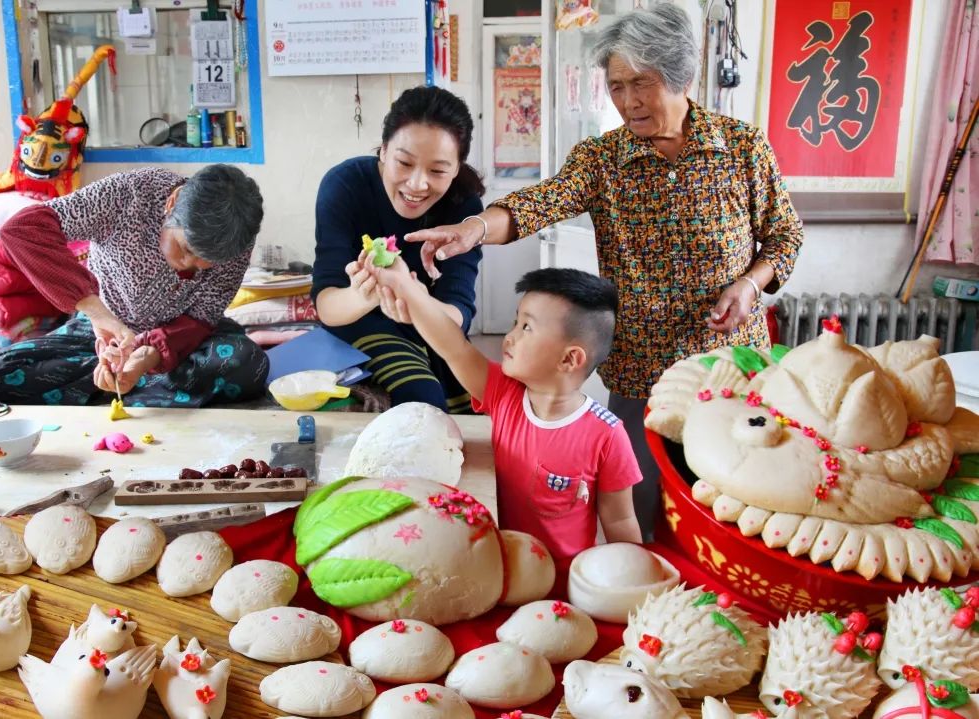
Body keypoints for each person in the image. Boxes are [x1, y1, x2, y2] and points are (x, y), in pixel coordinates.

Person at [402, 3, 804, 536]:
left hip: (728, 368)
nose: (629, 100)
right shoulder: (602, 159)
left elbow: (786, 235)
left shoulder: (743, 149)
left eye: (642, 82)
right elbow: (541, 202)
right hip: (640, 368)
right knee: (640, 511)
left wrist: (751, 284)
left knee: (731, 505)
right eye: (616, 85)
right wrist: (475, 227)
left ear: (682, 76)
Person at [369, 262, 642, 568]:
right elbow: (453, 347)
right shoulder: (503, 392)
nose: (509, 337)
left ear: (569, 359)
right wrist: (405, 286)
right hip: (498, 562)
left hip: (566, 580)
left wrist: (632, 579)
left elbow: (620, 521)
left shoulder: (607, 435)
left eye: (526, 327)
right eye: (515, 322)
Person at [0, 165, 268, 409]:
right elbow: (24, 230)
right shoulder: (129, 194)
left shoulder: (236, 236)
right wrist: (97, 314)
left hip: (180, 343)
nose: (196, 266)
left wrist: (146, 358)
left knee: (246, 363)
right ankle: (136, 391)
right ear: (172, 203)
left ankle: (118, 386)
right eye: (186, 249)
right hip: (100, 329)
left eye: (210, 262)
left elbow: (203, 315)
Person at [311, 85, 485, 414]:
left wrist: (412, 297)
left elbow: (456, 316)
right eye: (403, 163)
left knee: (478, 401)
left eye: (437, 171)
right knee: (421, 394)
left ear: (457, 168)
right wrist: (368, 294)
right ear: (383, 151)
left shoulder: (464, 209)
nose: (417, 184)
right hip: (359, 319)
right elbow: (327, 305)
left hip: (431, 322)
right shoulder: (345, 185)